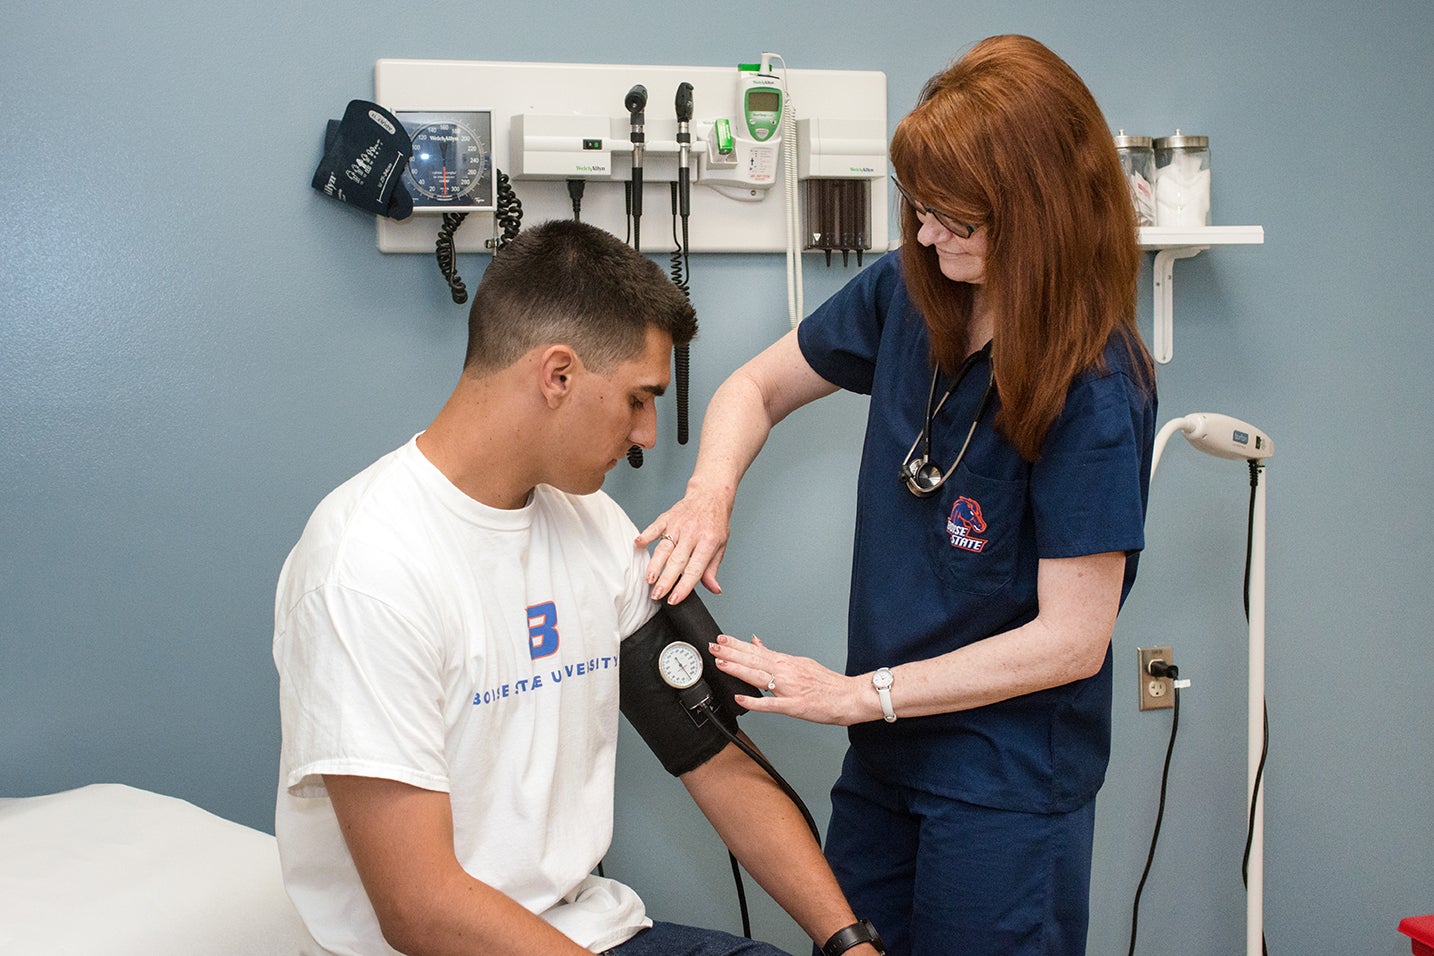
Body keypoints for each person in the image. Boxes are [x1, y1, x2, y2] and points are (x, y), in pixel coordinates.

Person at [639, 35, 1157, 956]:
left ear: (1035, 214)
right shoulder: (910, 294)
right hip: (884, 762)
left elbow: (1073, 641)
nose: (924, 235)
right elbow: (752, 389)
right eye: (919, 208)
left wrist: (856, 694)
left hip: (1004, 785)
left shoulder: (1096, 385)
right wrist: (709, 496)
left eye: (955, 219)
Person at [272, 220, 882, 956]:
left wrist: (849, 942)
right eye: (638, 398)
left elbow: (715, 759)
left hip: (588, 931)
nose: (650, 433)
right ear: (557, 374)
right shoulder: (366, 568)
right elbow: (420, 908)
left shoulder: (595, 528)